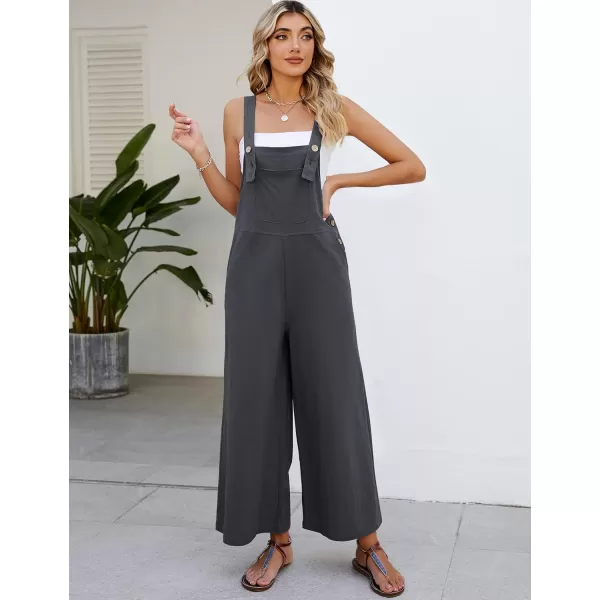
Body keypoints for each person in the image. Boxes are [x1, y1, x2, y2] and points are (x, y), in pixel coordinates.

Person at [169, 1, 425, 595]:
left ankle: (368, 545)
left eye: (305, 36)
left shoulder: (333, 109)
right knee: (256, 402)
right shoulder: (237, 113)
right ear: (265, 45)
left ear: (315, 45)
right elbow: (239, 203)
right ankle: (277, 541)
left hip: (318, 268)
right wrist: (199, 152)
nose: (295, 46)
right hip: (253, 269)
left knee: (335, 398)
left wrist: (339, 180)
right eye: (282, 35)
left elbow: (411, 165)